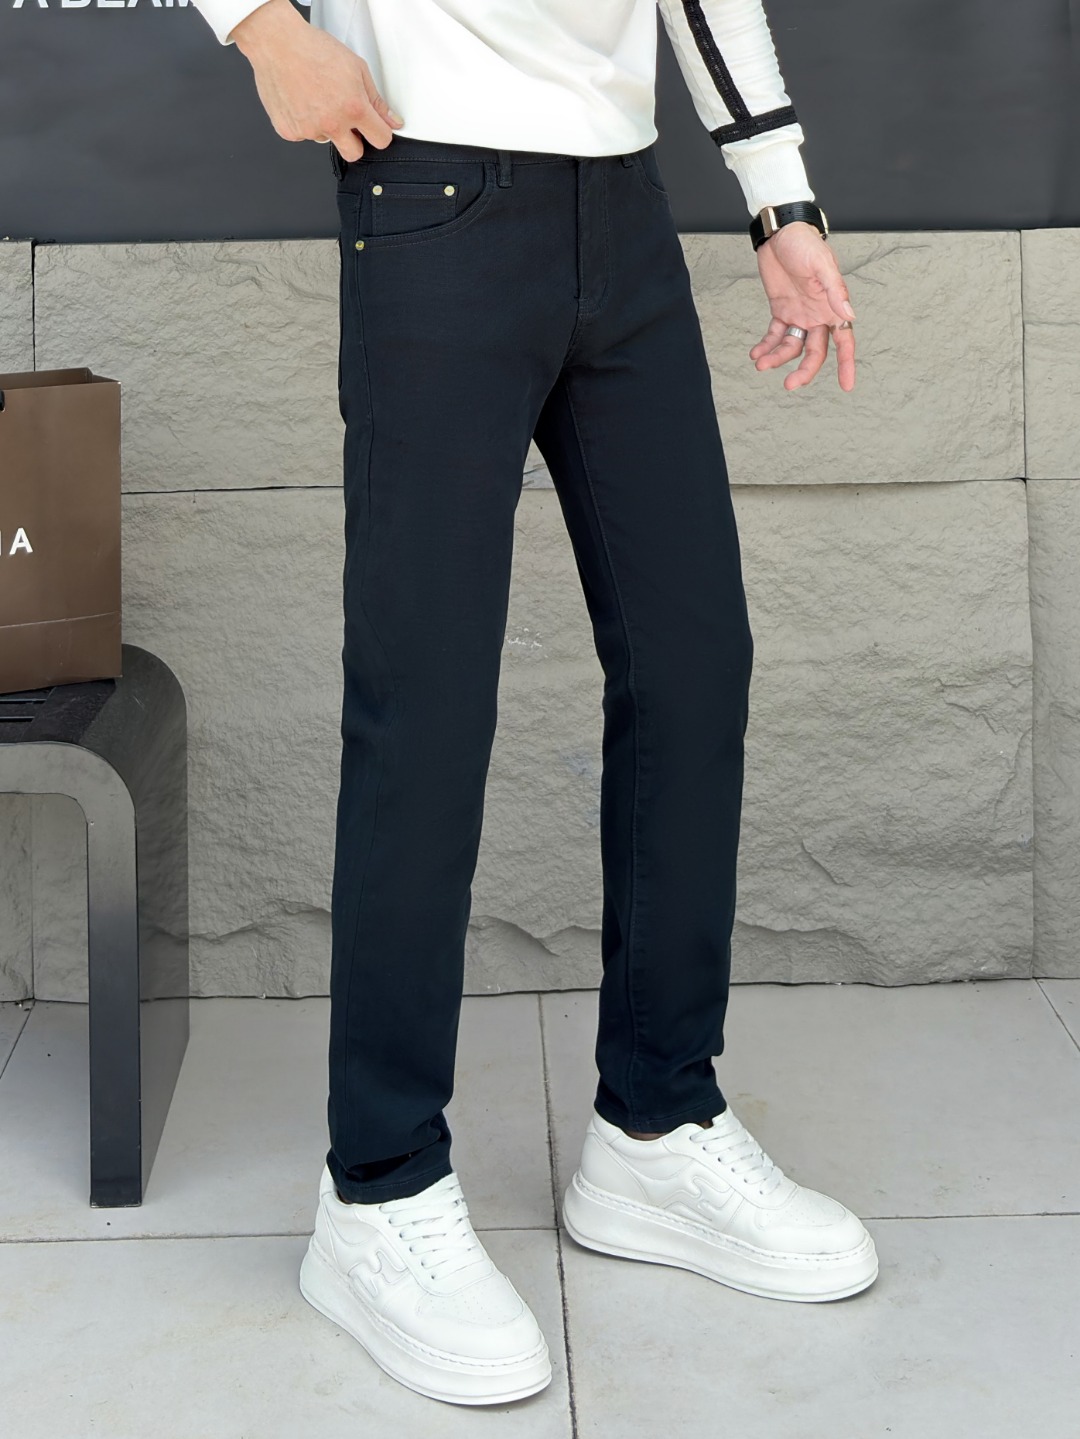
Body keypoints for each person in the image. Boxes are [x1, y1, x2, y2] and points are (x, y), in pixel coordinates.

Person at [189, 0, 876, 1408]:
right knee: (426, 704)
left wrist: (779, 195)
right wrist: (261, 27)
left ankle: (656, 1126)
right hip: (432, 190)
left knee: (695, 664)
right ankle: (379, 1187)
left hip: (621, 207)